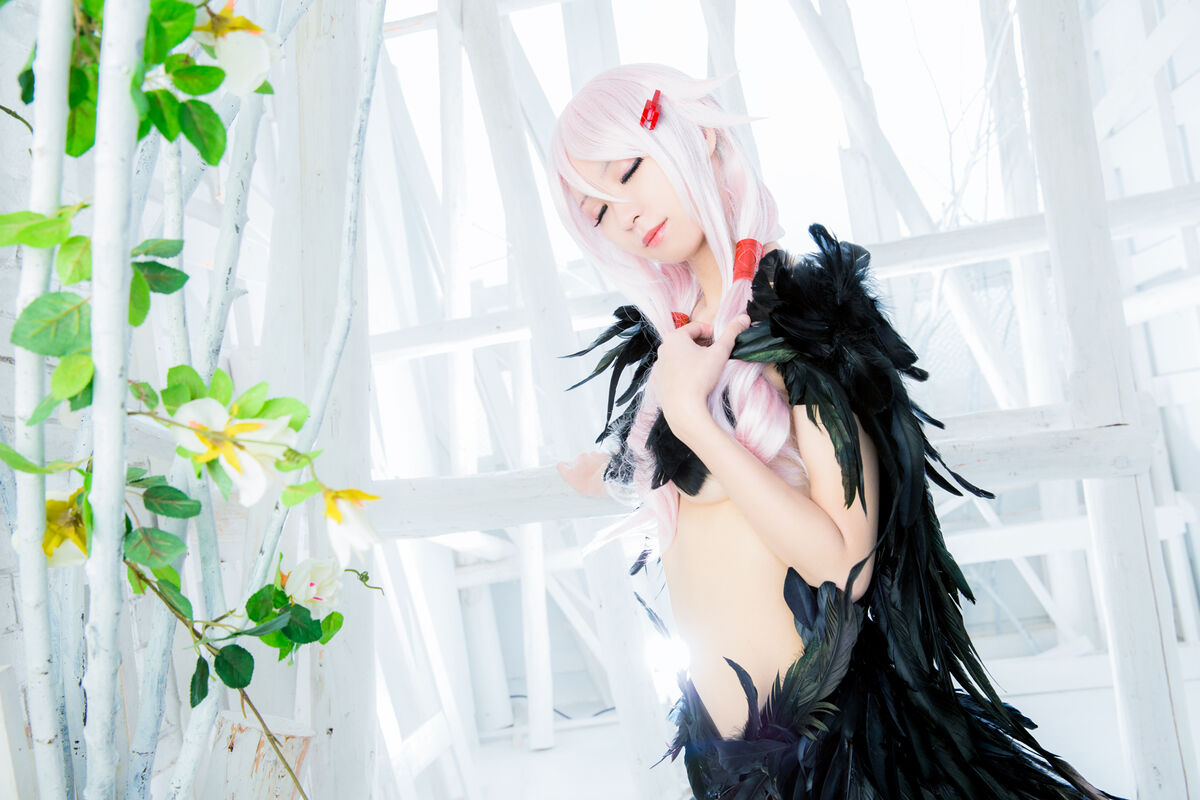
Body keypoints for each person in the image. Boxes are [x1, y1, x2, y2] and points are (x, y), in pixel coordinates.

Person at [549, 64, 1121, 799]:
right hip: (726, 765)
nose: (625, 215)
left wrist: (691, 419)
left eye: (628, 171)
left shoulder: (803, 317)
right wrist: (614, 462)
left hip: (840, 758)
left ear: (703, 137)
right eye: (598, 212)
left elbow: (844, 565)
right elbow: (685, 480)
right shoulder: (680, 344)